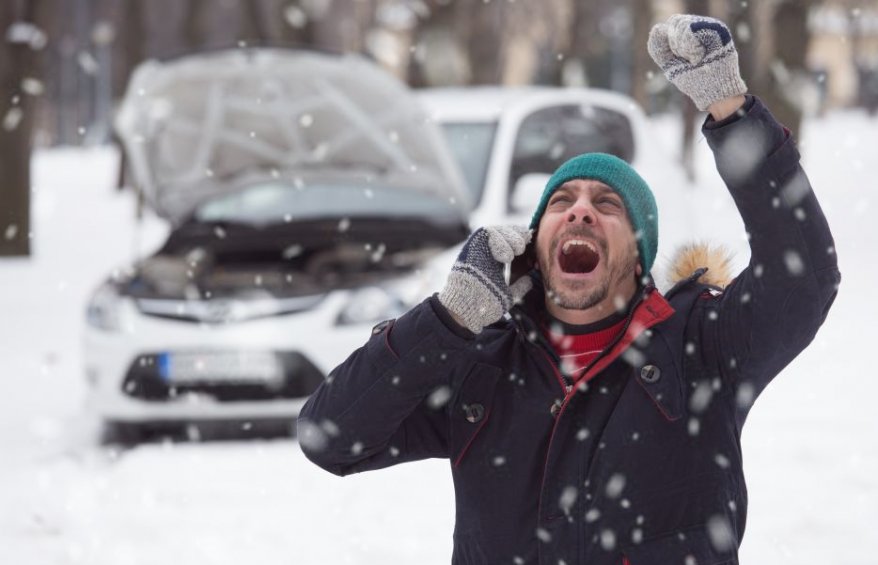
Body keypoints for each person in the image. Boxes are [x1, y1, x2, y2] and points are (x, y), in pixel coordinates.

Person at [297, 14, 840, 565]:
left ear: (636, 255)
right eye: (561, 203)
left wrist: (731, 108)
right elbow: (331, 436)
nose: (580, 209)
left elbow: (804, 279)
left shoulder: (699, 346)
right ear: (537, 245)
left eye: (607, 205)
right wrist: (449, 319)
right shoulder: (483, 364)